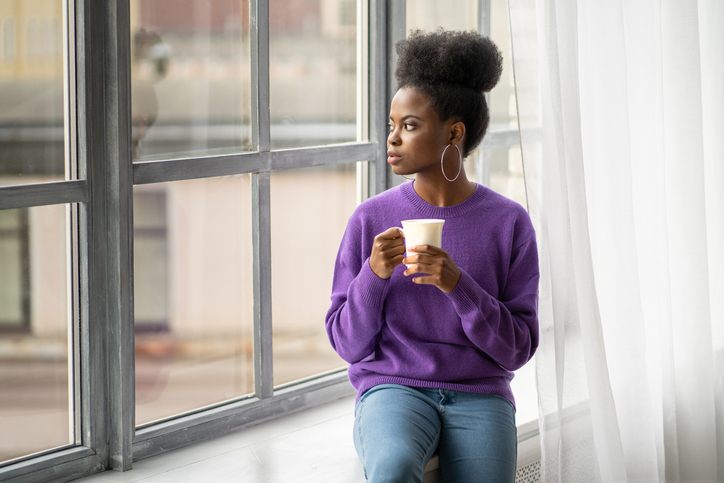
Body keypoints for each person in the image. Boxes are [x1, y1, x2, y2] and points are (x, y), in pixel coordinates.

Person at [325, 29, 539, 482]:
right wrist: (373, 275)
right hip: (393, 388)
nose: (393, 139)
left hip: (480, 392)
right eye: (391, 125)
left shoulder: (508, 222)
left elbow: (517, 348)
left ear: (454, 133)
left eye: (410, 125)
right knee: (394, 468)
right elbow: (347, 344)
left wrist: (457, 285)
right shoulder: (371, 219)